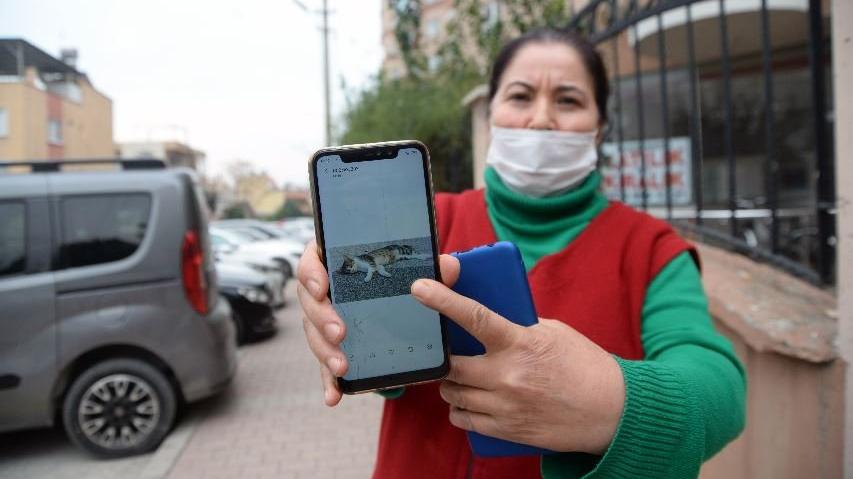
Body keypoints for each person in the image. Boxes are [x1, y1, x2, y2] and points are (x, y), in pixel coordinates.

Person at [297, 28, 746, 479]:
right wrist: (342, 312)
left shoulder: (651, 248)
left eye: (568, 100)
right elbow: (377, 346)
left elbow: (718, 388)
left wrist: (610, 400)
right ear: (490, 114)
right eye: (520, 96)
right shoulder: (424, 223)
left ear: (600, 127)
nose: (541, 118)